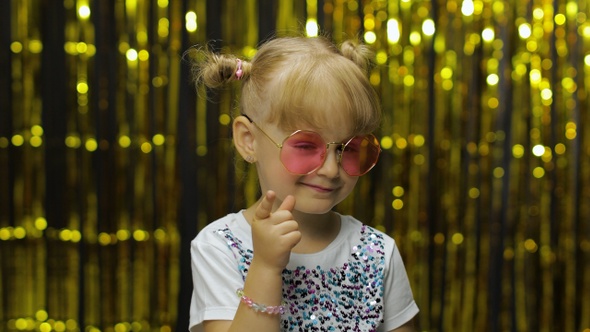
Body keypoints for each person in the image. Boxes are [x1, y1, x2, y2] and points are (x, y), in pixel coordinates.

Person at [187, 35, 419, 332]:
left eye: (348, 148)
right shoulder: (220, 247)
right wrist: (266, 267)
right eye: (307, 146)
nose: (332, 169)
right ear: (249, 140)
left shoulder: (378, 253)